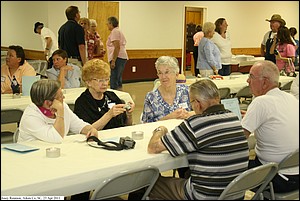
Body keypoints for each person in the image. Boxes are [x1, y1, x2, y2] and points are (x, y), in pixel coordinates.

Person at [147, 79, 249, 200]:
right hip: (235, 193)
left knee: (147, 183)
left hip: (204, 196)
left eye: (191, 102)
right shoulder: (233, 117)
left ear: (197, 103)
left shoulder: (195, 124)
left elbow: (153, 148)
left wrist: (160, 130)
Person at [241, 60, 299, 193]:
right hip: (295, 172)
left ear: (265, 82)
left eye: (251, 76)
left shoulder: (260, 102)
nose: (247, 81)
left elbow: (239, 141)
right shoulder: (290, 98)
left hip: (277, 177)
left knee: (223, 168)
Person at [18, 79, 98, 143]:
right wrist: (60, 112)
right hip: (32, 156)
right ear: (48, 102)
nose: (63, 97)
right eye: (60, 96)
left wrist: (91, 129)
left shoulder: (63, 106)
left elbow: (79, 125)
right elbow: (57, 138)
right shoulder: (31, 117)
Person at [74, 59, 135, 130]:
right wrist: (109, 115)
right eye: (100, 80)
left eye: (107, 79)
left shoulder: (112, 96)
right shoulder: (82, 103)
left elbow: (127, 125)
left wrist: (129, 115)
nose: (105, 84)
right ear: (88, 82)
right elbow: (87, 131)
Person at [142, 56, 194, 124]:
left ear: (176, 74)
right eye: (160, 73)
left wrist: (187, 114)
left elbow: (201, 112)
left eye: (167, 72)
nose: (163, 77)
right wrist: (170, 117)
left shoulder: (187, 91)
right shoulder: (151, 97)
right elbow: (146, 125)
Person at [106, 16, 128, 90]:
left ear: (111, 23)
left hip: (118, 57)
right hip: (120, 56)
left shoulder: (115, 32)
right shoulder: (117, 31)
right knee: (118, 78)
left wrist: (113, 60)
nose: (107, 25)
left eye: (108, 24)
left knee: (114, 79)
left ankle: (115, 95)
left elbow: (117, 47)